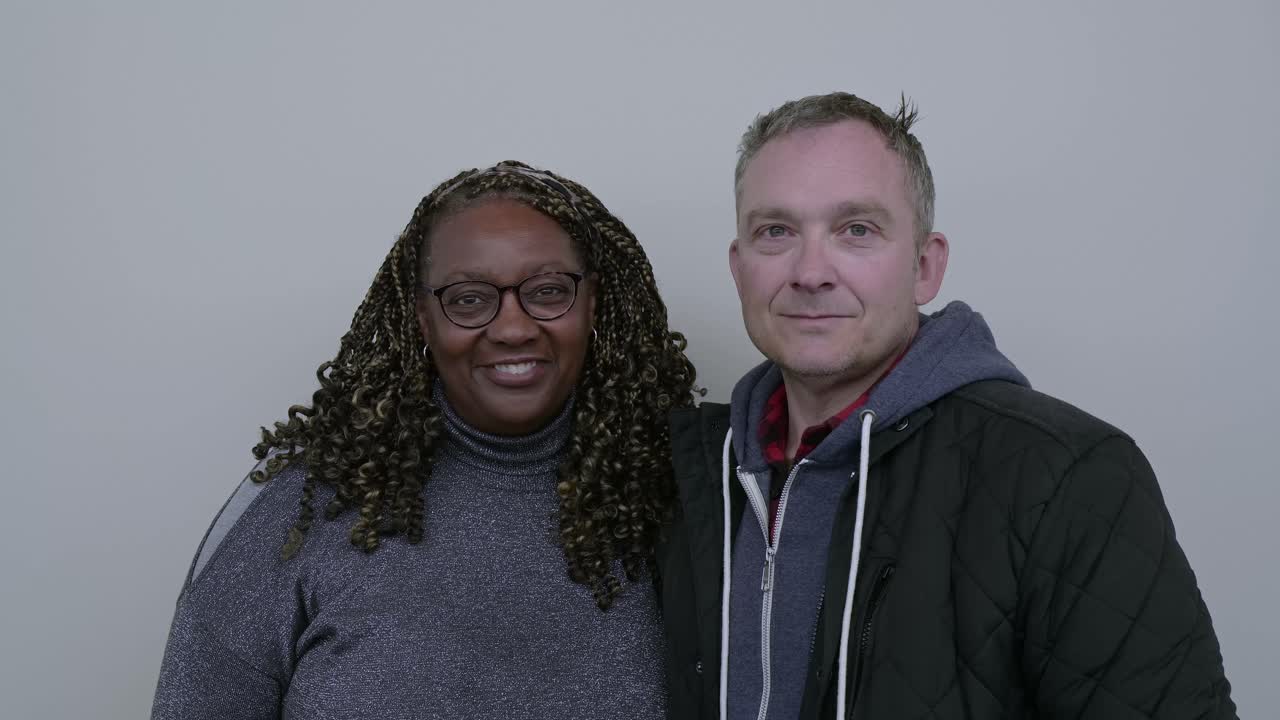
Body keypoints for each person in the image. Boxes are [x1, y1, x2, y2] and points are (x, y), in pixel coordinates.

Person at [657, 93, 1236, 719]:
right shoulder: (689, 474)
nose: (811, 271)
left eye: (857, 229)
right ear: (740, 270)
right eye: (777, 232)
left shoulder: (1069, 473)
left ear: (926, 267)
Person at [152, 160, 700, 719]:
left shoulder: (685, 503)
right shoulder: (302, 503)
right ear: (421, 316)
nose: (513, 327)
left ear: (594, 304)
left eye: (548, 290)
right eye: (468, 299)